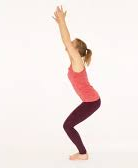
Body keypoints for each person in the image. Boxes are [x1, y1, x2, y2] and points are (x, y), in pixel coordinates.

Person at [52, 5, 101, 161]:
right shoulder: (74, 61)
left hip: (91, 102)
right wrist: (60, 24)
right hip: (90, 101)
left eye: (72, 44)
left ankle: (83, 154)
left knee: (67, 126)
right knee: (68, 125)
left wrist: (62, 21)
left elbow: (66, 40)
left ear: (76, 50)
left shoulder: (78, 61)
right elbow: (66, 41)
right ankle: (82, 153)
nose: (68, 45)